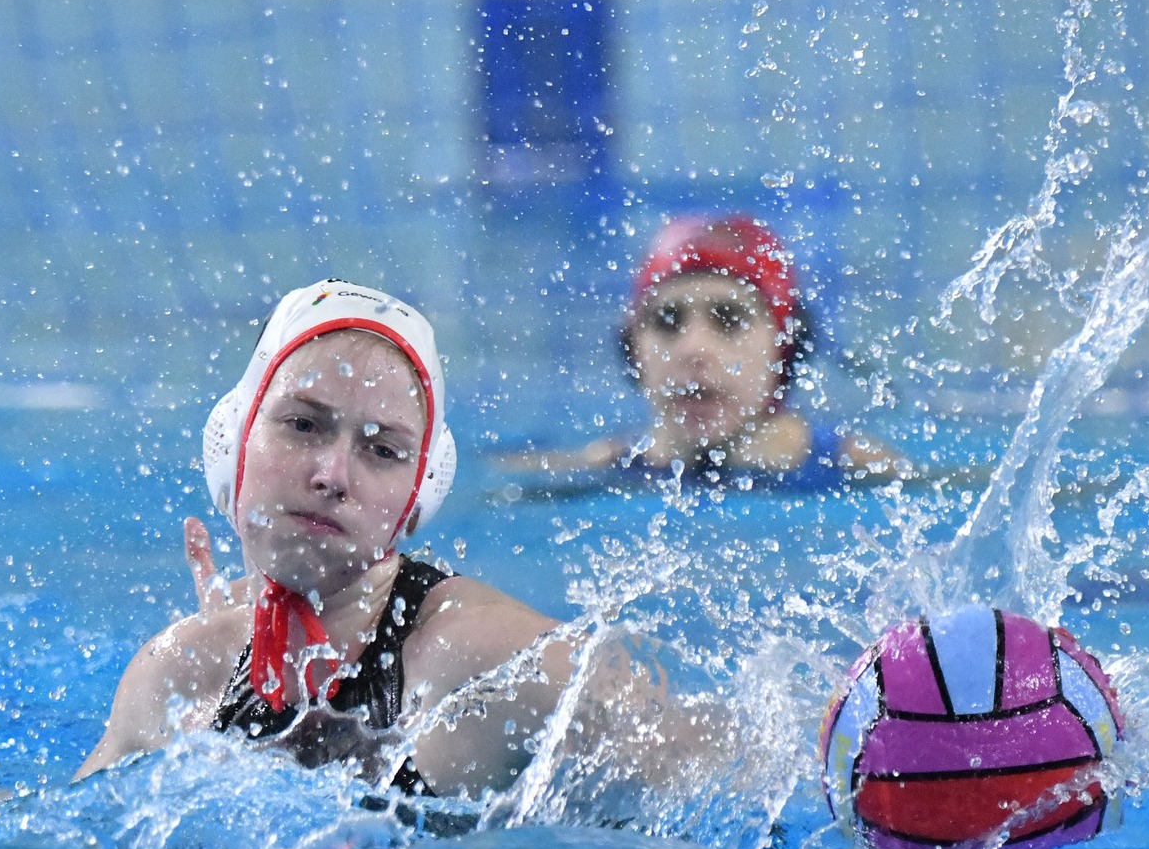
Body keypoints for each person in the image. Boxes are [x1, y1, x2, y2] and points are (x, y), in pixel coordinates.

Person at [78, 280, 714, 800]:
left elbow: (723, 758)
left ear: (416, 498)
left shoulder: (477, 662)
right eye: (302, 425)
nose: (332, 475)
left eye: (383, 450)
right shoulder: (181, 673)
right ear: (234, 442)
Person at [514, 214, 902, 491]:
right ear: (632, 350)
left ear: (785, 347)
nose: (693, 349)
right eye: (667, 321)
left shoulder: (863, 469)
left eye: (729, 320)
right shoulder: (597, 469)